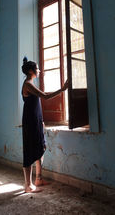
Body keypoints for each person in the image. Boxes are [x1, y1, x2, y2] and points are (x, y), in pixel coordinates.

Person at [21, 57, 68, 193]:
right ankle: (28, 185)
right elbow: (45, 97)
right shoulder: (28, 84)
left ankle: (38, 179)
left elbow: (36, 105)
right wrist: (63, 89)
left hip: (36, 121)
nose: (39, 70)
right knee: (29, 150)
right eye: (37, 68)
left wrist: (41, 121)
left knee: (40, 147)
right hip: (30, 122)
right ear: (31, 70)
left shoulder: (31, 83)